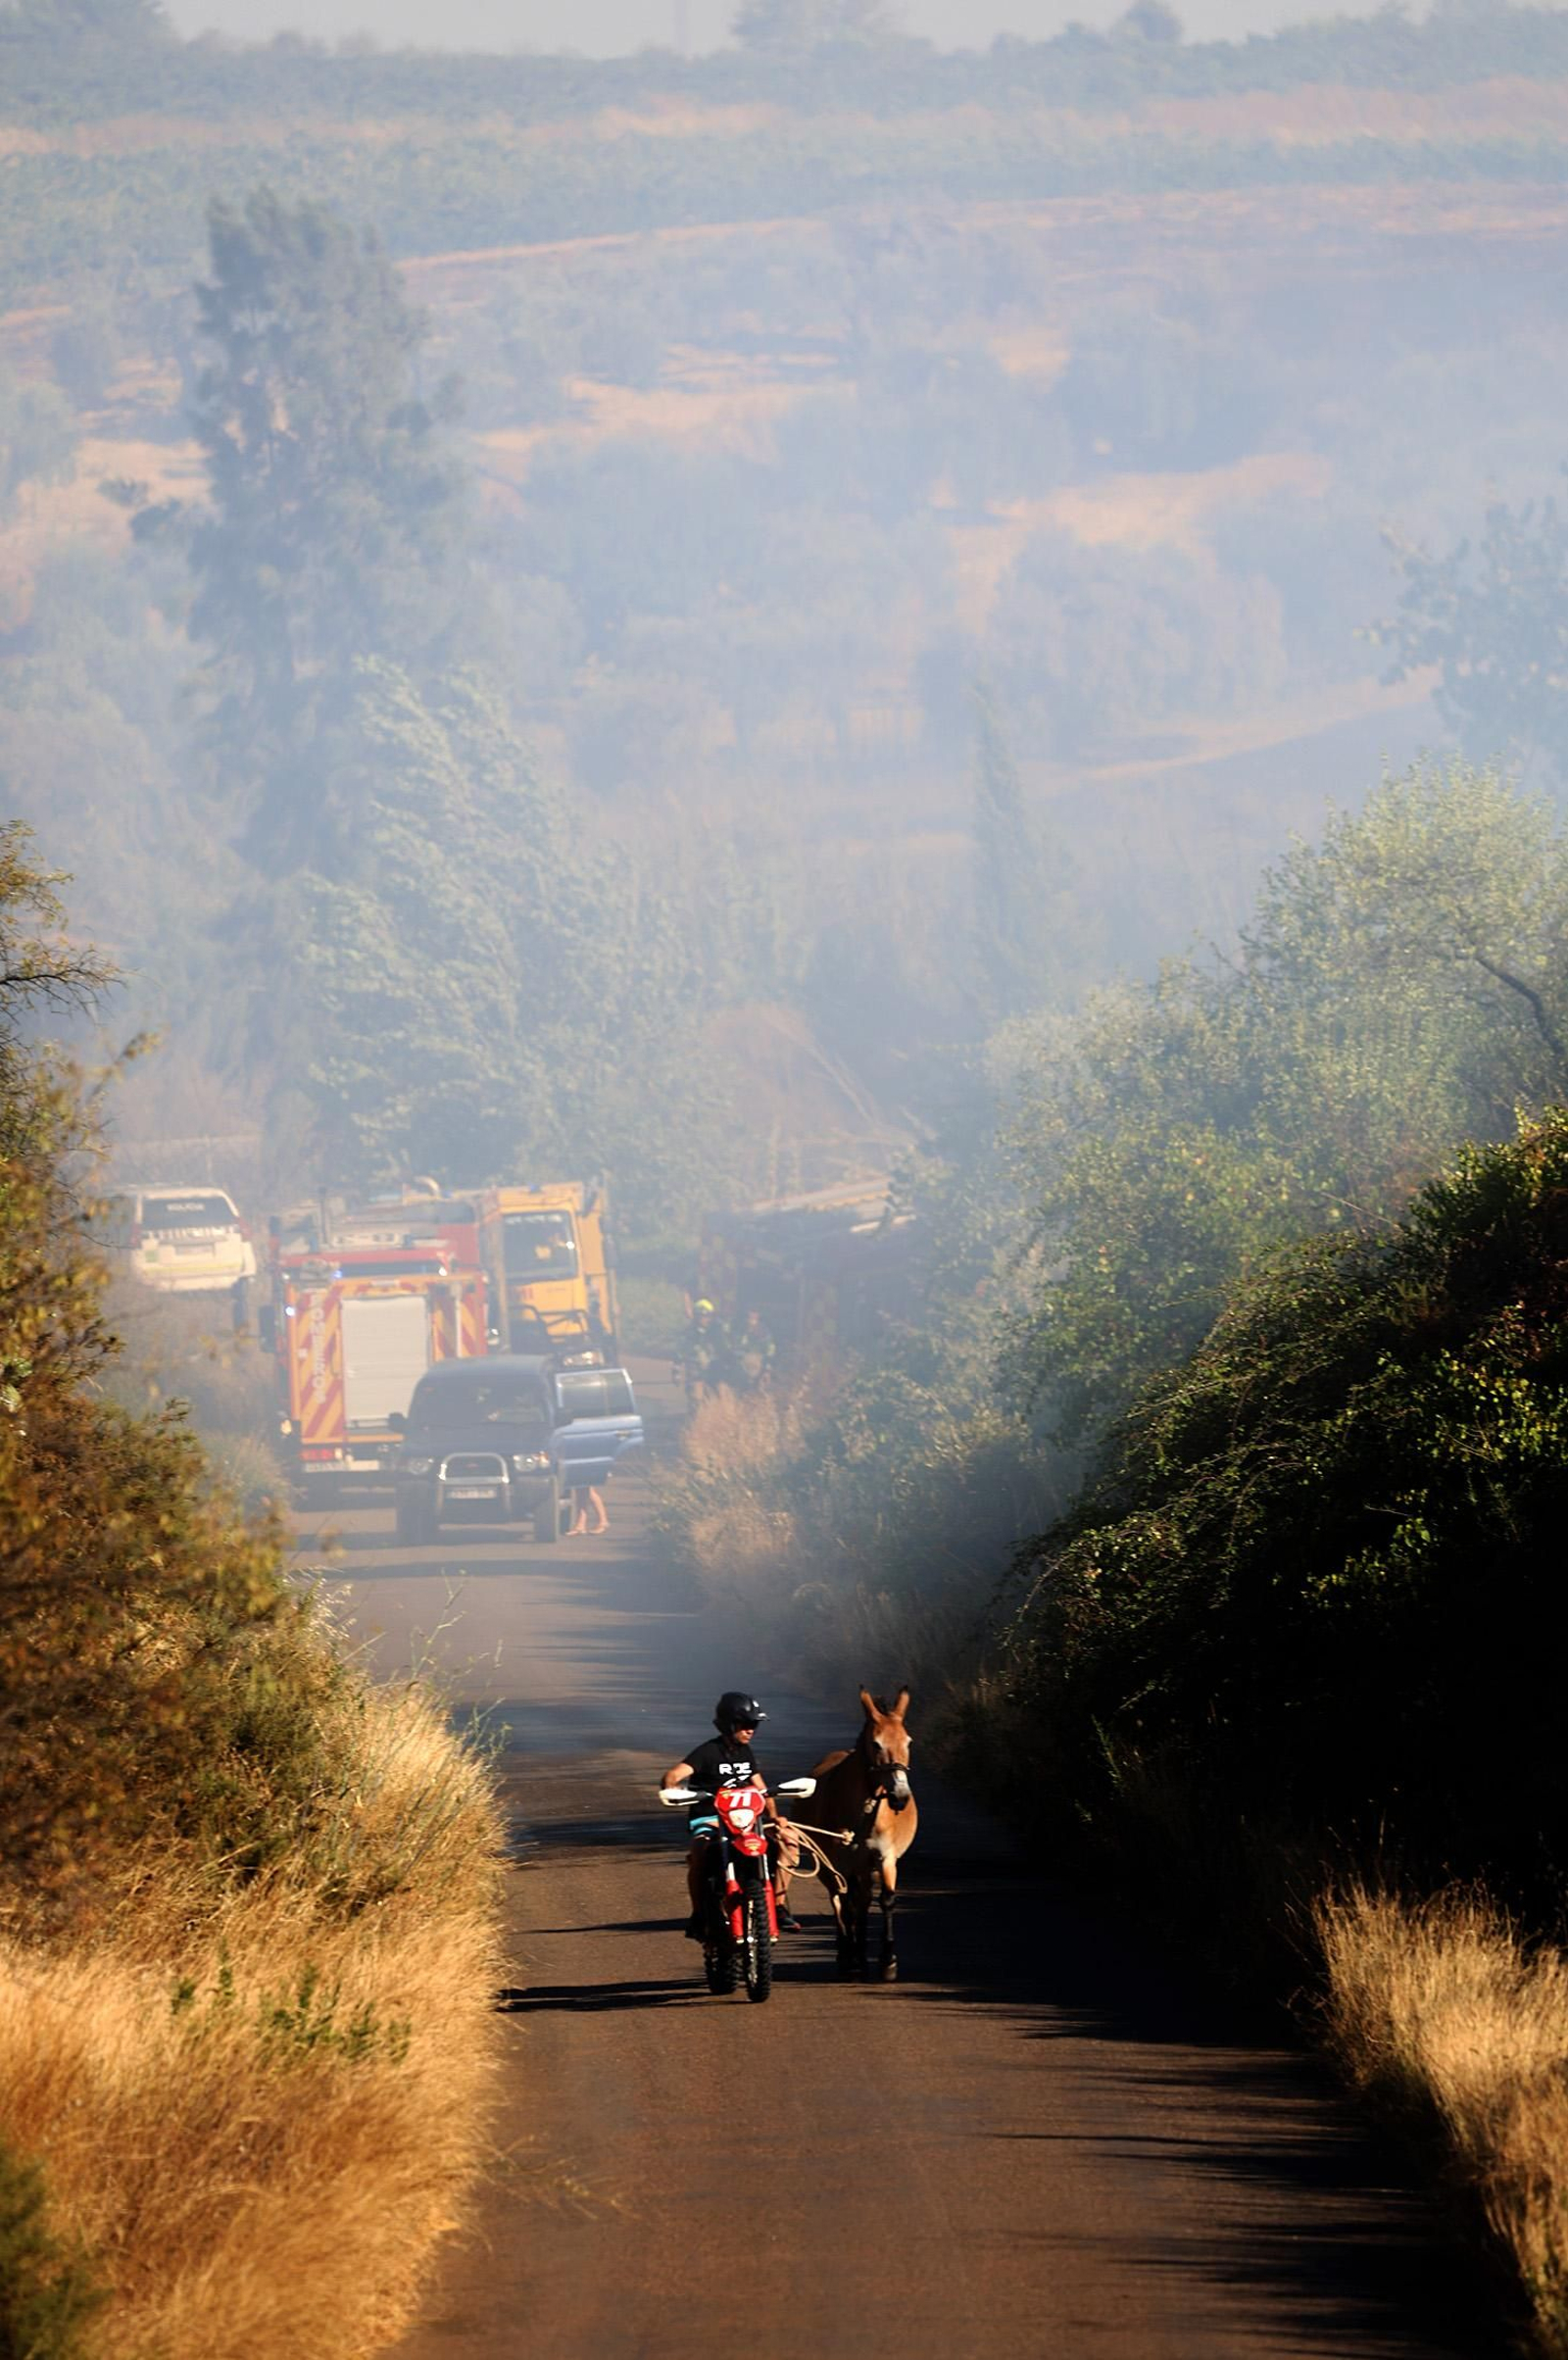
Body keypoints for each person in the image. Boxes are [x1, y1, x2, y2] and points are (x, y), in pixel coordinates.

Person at [662, 1692, 799, 1937]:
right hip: (710, 1819)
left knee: (790, 1841)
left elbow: (761, 1788)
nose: (751, 1730)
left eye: (754, 1725)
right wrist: (672, 1790)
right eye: (746, 1724)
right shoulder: (707, 1752)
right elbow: (672, 1776)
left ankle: (778, 1906)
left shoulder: (746, 1753)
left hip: (748, 1821)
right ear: (729, 1724)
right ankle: (698, 1914)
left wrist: (775, 1818)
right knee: (700, 1850)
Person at [672, 1298, 729, 1409]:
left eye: (708, 1316)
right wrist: (676, 1373)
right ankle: (697, 1422)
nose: (705, 1319)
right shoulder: (689, 1333)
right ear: (696, 1316)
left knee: (721, 1397)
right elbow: (679, 1353)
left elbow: (725, 1350)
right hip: (696, 1374)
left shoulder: (717, 1332)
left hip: (715, 1372)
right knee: (696, 1400)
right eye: (702, 1316)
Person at [734, 1305, 776, 1393]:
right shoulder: (741, 1328)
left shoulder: (763, 1330)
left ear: (758, 1315)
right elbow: (736, 1344)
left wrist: (767, 1361)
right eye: (751, 1313)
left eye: (755, 1313)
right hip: (743, 1360)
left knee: (760, 1384)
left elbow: (770, 1347)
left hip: (758, 1359)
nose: (753, 1316)